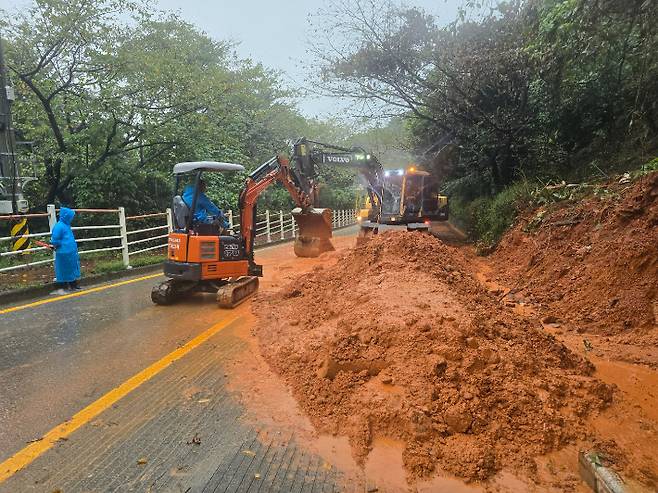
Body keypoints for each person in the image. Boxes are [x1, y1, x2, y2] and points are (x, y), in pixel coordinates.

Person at [50, 207, 81, 294]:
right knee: (64, 269)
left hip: (70, 252)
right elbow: (55, 239)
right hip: (63, 252)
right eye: (70, 217)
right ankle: (65, 286)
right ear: (66, 216)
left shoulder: (66, 225)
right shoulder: (59, 226)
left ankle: (73, 285)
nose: (71, 218)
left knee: (71, 268)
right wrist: (55, 245)